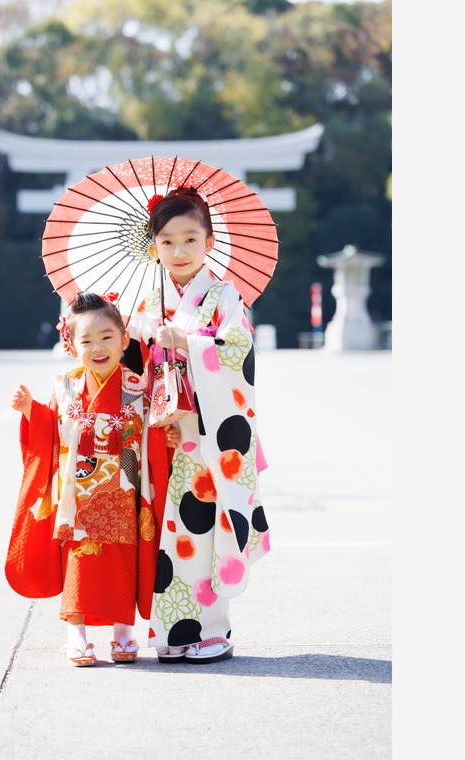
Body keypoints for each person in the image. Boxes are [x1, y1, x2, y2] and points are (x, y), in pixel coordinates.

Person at [129, 186, 272, 665]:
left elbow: (237, 352)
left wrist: (188, 341)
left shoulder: (224, 296)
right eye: (167, 241)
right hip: (168, 435)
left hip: (210, 438)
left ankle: (212, 630)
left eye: (190, 239)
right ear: (154, 247)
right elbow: (135, 368)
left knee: (205, 527)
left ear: (210, 242)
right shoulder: (150, 302)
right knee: (169, 535)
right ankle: (172, 631)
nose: (179, 251)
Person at [4, 292, 176, 666]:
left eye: (106, 337)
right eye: (86, 340)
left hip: (126, 489)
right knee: (79, 559)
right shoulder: (65, 386)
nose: (97, 348)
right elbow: (51, 432)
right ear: (71, 344)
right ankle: (76, 633)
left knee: (122, 561)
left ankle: (122, 631)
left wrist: (168, 437)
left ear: (124, 340)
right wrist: (31, 410)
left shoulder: (139, 387)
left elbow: (154, 432)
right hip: (78, 493)